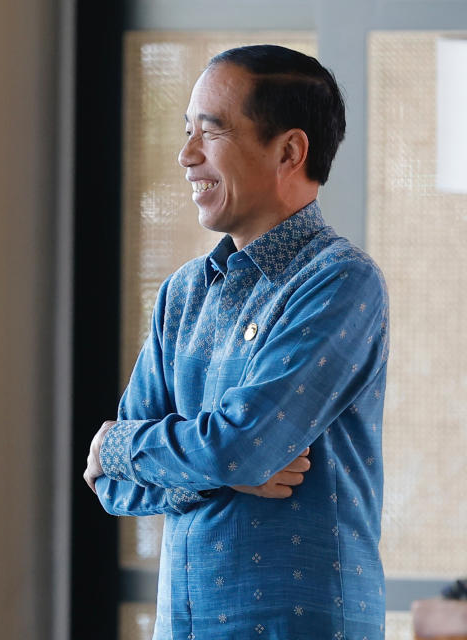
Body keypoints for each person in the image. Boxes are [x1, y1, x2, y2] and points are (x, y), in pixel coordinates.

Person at [83, 45, 389, 639]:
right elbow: (111, 484)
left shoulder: (341, 281)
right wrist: (219, 470)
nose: (186, 155)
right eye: (186, 132)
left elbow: (244, 445)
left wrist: (127, 446)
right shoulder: (182, 294)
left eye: (211, 132)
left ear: (289, 151)